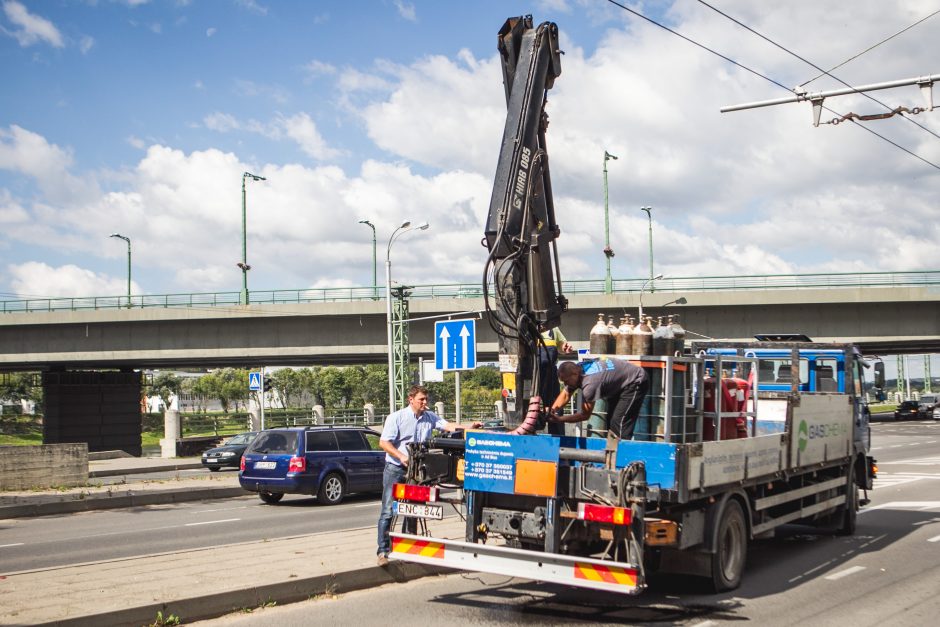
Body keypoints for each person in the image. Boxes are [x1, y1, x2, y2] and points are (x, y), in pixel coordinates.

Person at [376, 384, 480, 566]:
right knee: (388, 511)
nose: (425, 402)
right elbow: (384, 443)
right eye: (421, 399)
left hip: (418, 472)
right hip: (396, 470)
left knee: (413, 510)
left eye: (426, 399)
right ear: (411, 400)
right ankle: (383, 551)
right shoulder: (397, 418)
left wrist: (469, 427)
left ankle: (407, 550)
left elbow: (447, 426)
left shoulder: (429, 417)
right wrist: (401, 456)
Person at [548, 357, 649, 442]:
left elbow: (585, 415)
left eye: (566, 381)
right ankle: (612, 454)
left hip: (636, 380)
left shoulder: (590, 385)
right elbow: (566, 393)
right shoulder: (579, 368)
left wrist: (560, 419)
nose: (566, 384)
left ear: (574, 374)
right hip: (620, 383)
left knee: (619, 422)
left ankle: (622, 458)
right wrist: (552, 410)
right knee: (611, 421)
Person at [537, 325, 574, 436]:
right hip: (533, 373)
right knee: (530, 406)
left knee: (556, 407)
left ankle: (558, 440)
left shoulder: (553, 328)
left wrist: (565, 347)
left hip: (550, 373)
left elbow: (561, 344)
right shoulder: (526, 325)